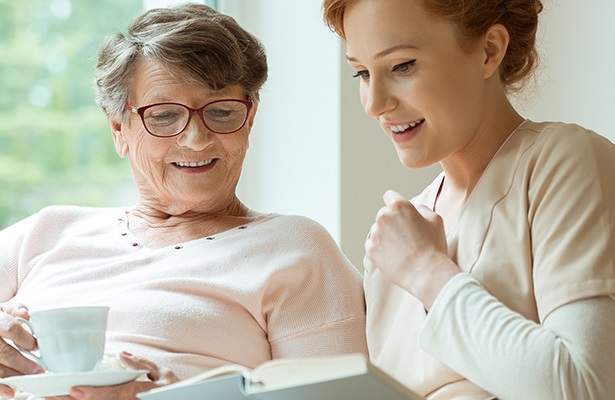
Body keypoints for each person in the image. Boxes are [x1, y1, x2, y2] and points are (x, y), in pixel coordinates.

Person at [0, 4, 367, 400]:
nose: (196, 139)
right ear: (118, 129)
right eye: (163, 116)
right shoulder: (44, 234)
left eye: (222, 111)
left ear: (251, 118)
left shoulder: (295, 249)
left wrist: (181, 397)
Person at [323, 0, 615, 399]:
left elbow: (583, 388)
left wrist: (428, 271)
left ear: (489, 50)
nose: (375, 103)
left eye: (402, 65)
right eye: (361, 72)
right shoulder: (390, 240)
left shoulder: (563, 162)